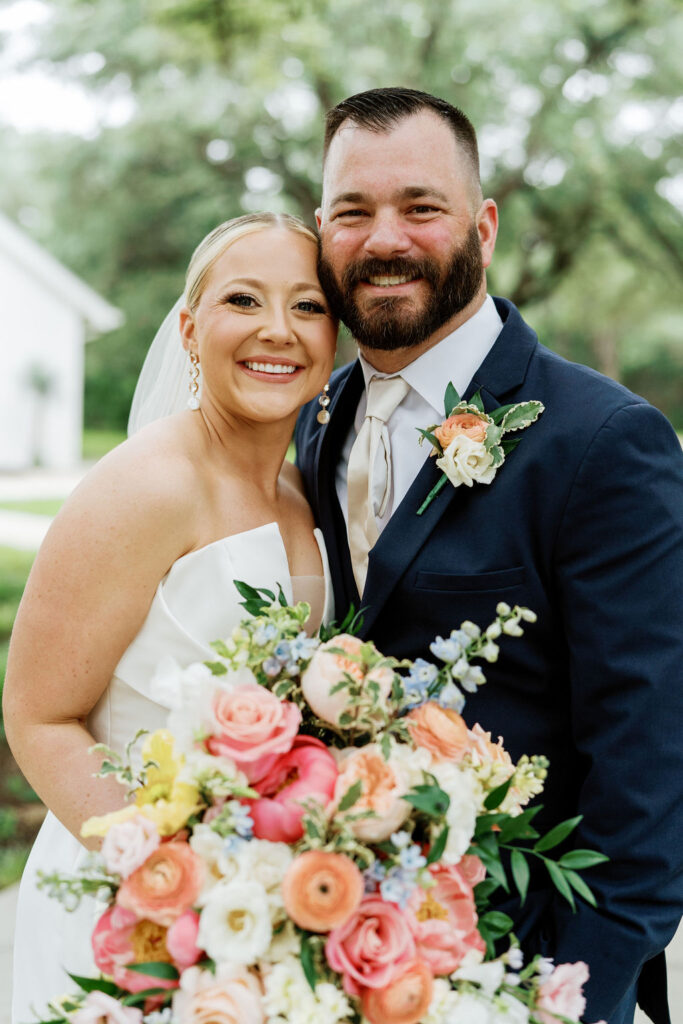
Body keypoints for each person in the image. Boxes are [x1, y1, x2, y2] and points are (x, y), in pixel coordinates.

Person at [295, 87, 683, 1024]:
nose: (384, 238)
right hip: (330, 954)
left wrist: (564, 1002)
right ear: (321, 230)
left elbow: (650, 774)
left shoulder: (604, 442)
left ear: (485, 225)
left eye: (420, 207)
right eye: (353, 211)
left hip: (528, 973)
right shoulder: (308, 422)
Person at [4, 211, 337, 1022]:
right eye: (243, 301)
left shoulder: (305, 493)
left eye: (307, 306)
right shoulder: (147, 486)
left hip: (259, 915)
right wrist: (169, 881)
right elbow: (38, 716)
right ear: (189, 329)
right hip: (126, 917)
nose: (277, 330)